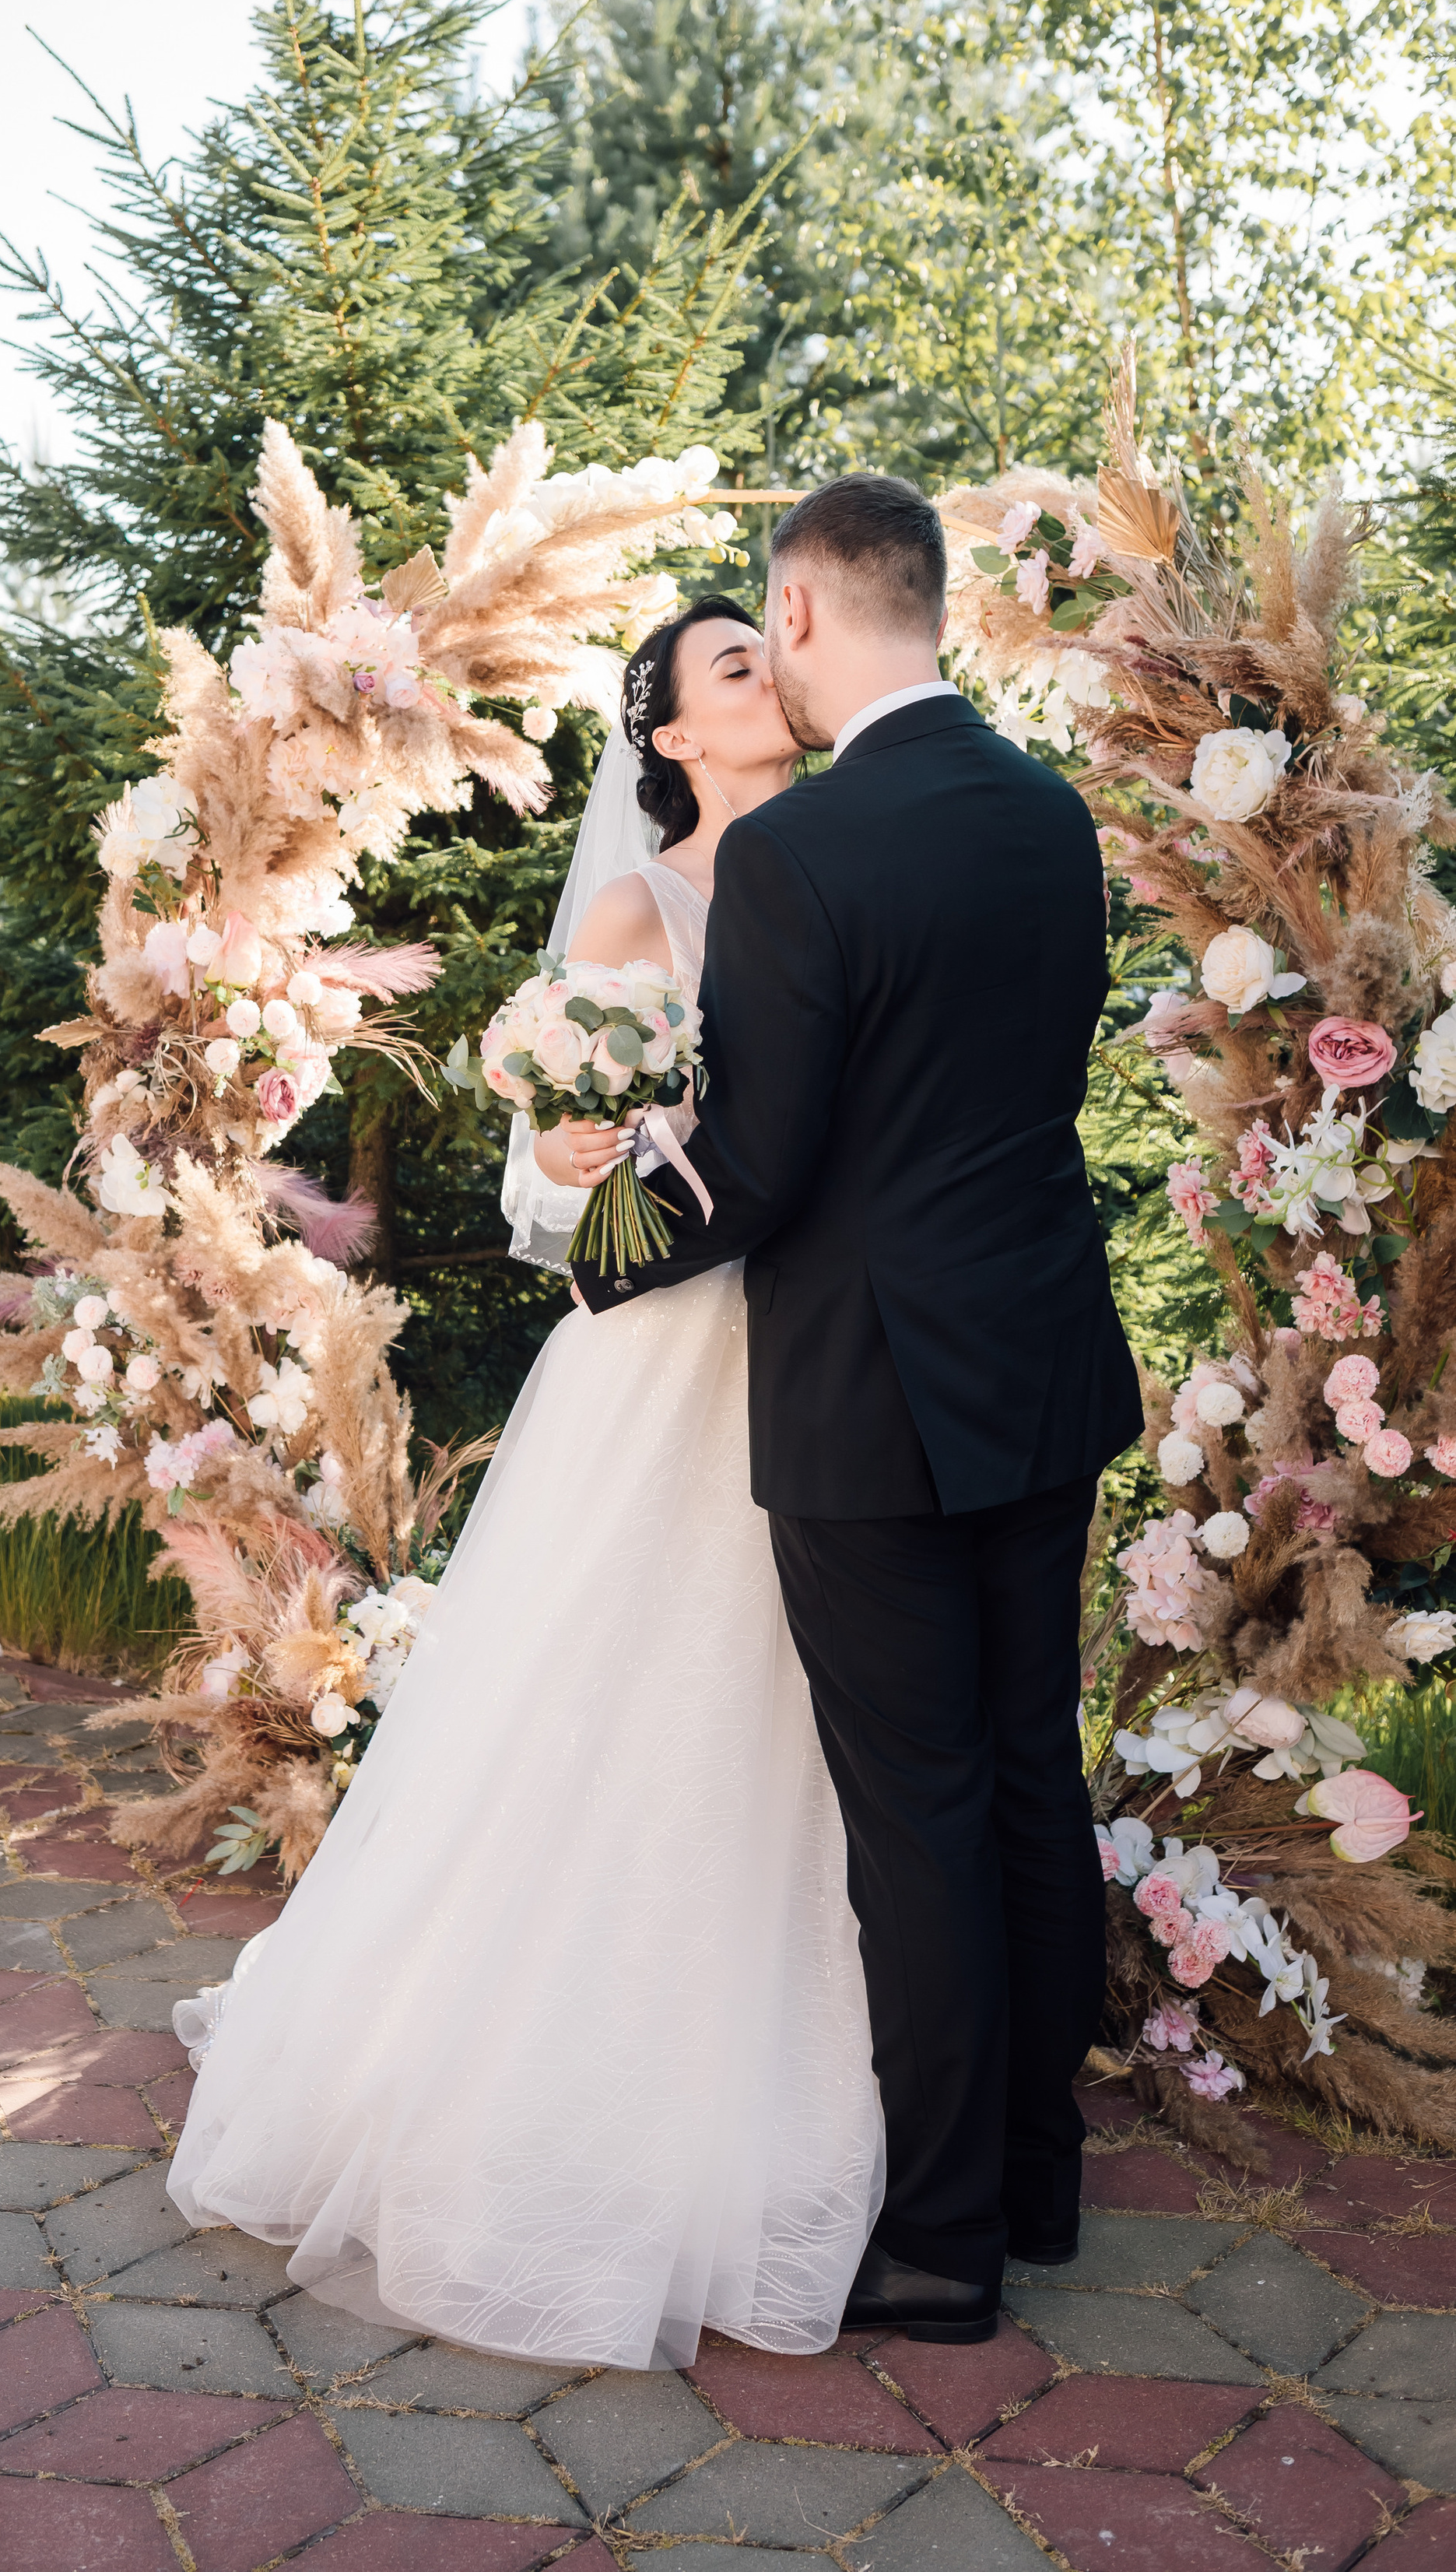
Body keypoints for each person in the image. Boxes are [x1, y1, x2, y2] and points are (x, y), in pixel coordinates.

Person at [163, 595, 885, 2371]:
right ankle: (560, 2113)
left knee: (790, 1715)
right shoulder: (647, 905)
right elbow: (559, 1180)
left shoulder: (851, 872)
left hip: (818, 1349)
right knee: (618, 1702)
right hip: (666, 1358)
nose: (765, 678)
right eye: (729, 668)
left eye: (766, 657)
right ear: (666, 736)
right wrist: (571, 1153)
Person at [570, 476, 1141, 2345]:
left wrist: (599, 1244)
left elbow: (761, 1169)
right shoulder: (1051, 818)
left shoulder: (808, 855)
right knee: (1026, 1782)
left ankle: (940, 2246)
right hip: (1039, 1364)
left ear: (801, 615)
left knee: (917, 1822)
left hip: (871, 1398)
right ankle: (1039, 2182)